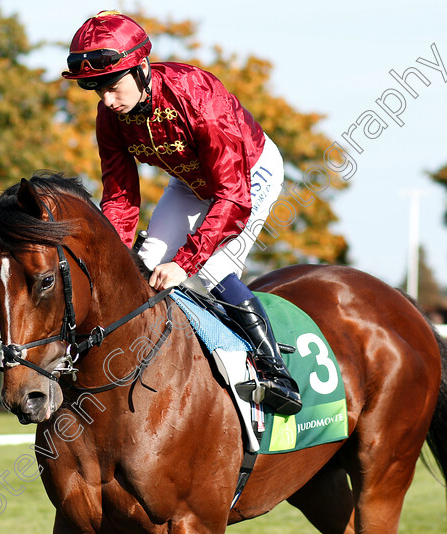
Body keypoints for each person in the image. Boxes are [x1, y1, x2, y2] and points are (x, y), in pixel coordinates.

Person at [62, 11, 300, 415]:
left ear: (140, 67)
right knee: (146, 266)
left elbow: (233, 195)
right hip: (189, 183)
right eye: (95, 89)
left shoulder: (198, 97)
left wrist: (186, 262)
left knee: (206, 269)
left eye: (113, 86)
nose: (106, 100)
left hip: (246, 175)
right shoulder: (110, 118)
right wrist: (108, 258)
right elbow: (120, 197)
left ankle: (275, 373)